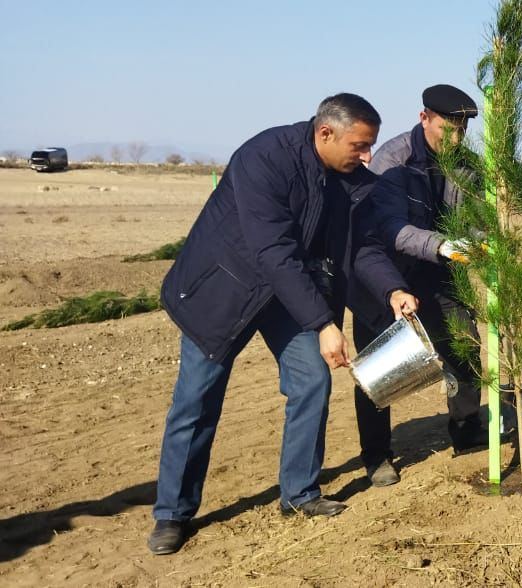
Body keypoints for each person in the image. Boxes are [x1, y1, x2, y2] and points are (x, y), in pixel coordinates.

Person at [148, 94, 417, 555]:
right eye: (359, 145)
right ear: (325, 133)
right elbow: (272, 251)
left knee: (311, 380)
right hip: (223, 290)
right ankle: (173, 513)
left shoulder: (352, 183)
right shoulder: (265, 158)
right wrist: (323, 323)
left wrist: (392, 287)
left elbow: (363, 249)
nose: (367, 155)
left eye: (369, 145)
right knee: (197, 399)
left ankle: (299, 495)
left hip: (289, 294)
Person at [351, 84, 495, 478]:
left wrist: (479, 243)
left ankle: (466, 430)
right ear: (424, 118)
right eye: (448, 127)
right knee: (380, 368)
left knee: (464, 347)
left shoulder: (467, 165)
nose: (456, 136)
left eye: (462, 129)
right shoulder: (393, 161)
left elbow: (479, 221)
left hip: (440, 273)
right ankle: (377, 457)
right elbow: (389, 228)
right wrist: (446, 245)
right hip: (385, 274)